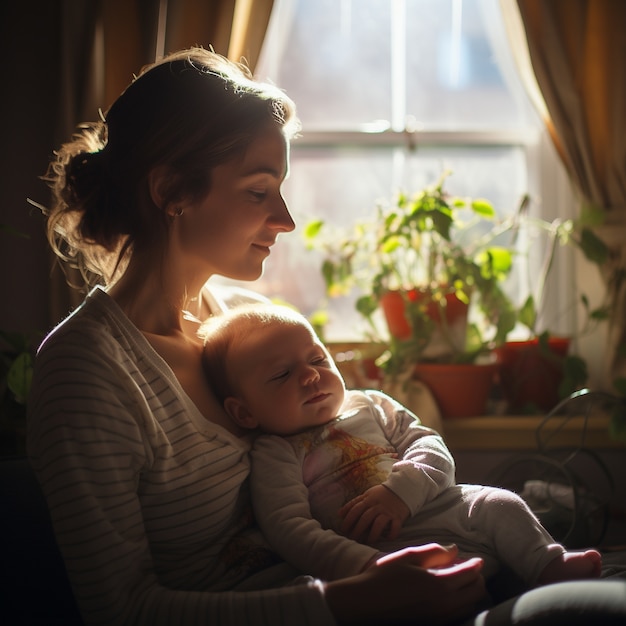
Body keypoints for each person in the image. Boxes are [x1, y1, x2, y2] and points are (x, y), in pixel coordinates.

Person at [26, 45, 626, 626]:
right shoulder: (89, 371)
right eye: (258, 192)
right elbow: (122, 611)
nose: (285, 220)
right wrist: (354, 600)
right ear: (170, 193)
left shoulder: (245, 320)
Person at [200, 302, 602, 588]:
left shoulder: (370, 404)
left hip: (436, 507)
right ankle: (481, 579)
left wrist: (400, 493)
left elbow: (431, 447)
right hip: (376, 547)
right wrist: (367, 566)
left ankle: (548, 565)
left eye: (318, 360)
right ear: (244, 413)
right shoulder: (275, 452)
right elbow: (289, 529)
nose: (310, 376)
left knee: (500, 503)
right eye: (282, 374)